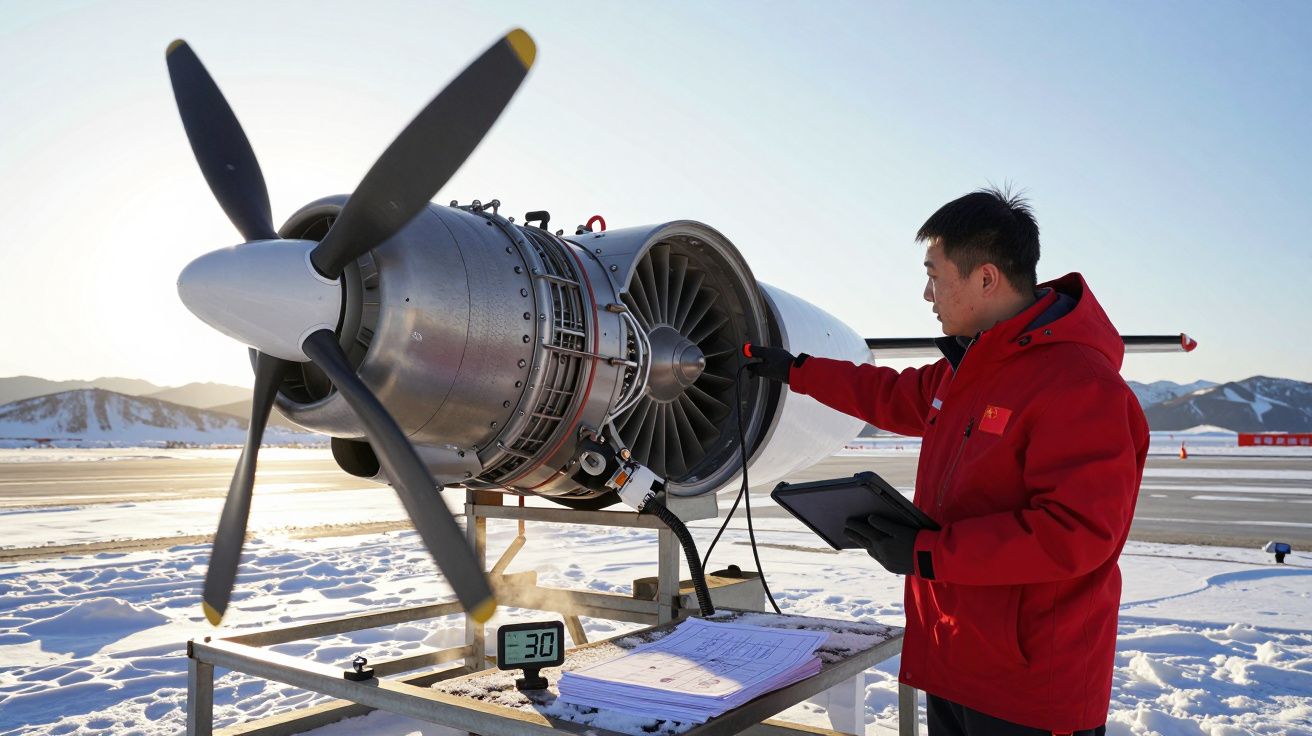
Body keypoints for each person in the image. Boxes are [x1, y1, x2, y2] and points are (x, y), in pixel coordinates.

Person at [747, 188, 1147, 736]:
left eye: (934, 275)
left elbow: (1075, 534)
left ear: (986, 278)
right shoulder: (970, 369)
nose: (927, 293)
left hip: (1030, 690)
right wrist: (797, 370)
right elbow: (888, 394)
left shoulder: (1080, 385)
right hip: (956, 659)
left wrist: (927, 552)